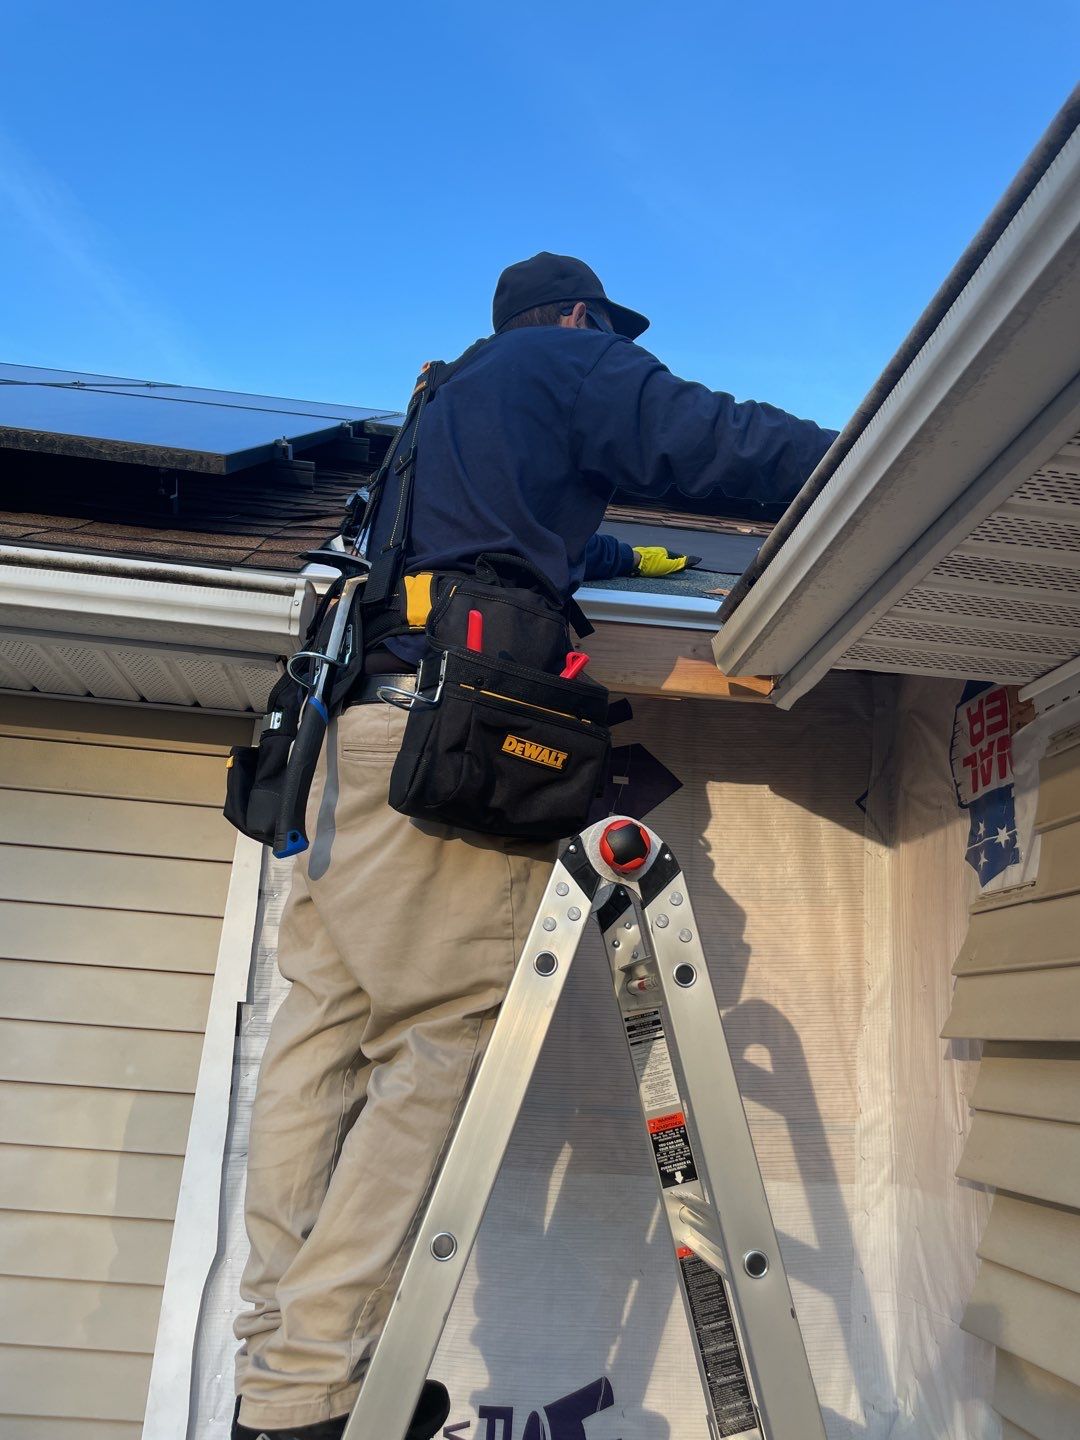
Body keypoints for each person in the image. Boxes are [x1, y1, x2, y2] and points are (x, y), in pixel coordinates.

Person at [233, 253, 838, 1440]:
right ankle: (309, 1393)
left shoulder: (443, 408)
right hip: (452, 736)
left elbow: (518, 534)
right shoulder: (562, 356)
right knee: (436, 1046)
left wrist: (623, 557)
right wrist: (874, 461)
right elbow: (709, 438)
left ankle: (275, 1365)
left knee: (323, 1037)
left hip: (360, 735)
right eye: (604, 331)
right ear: (574, 318)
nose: (610, 346)